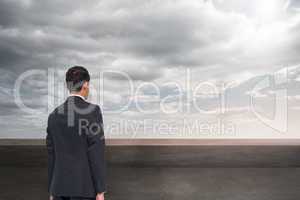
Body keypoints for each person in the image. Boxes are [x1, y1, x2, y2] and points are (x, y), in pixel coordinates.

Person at [46, 66, 106, 200]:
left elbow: (52, 156)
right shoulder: (93, 111)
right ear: (85, 85)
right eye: (88, 85)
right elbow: (96, 153)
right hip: (84, 189)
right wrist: (100, 190)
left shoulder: (53, 116)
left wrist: (51, 189)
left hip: (58, 188)